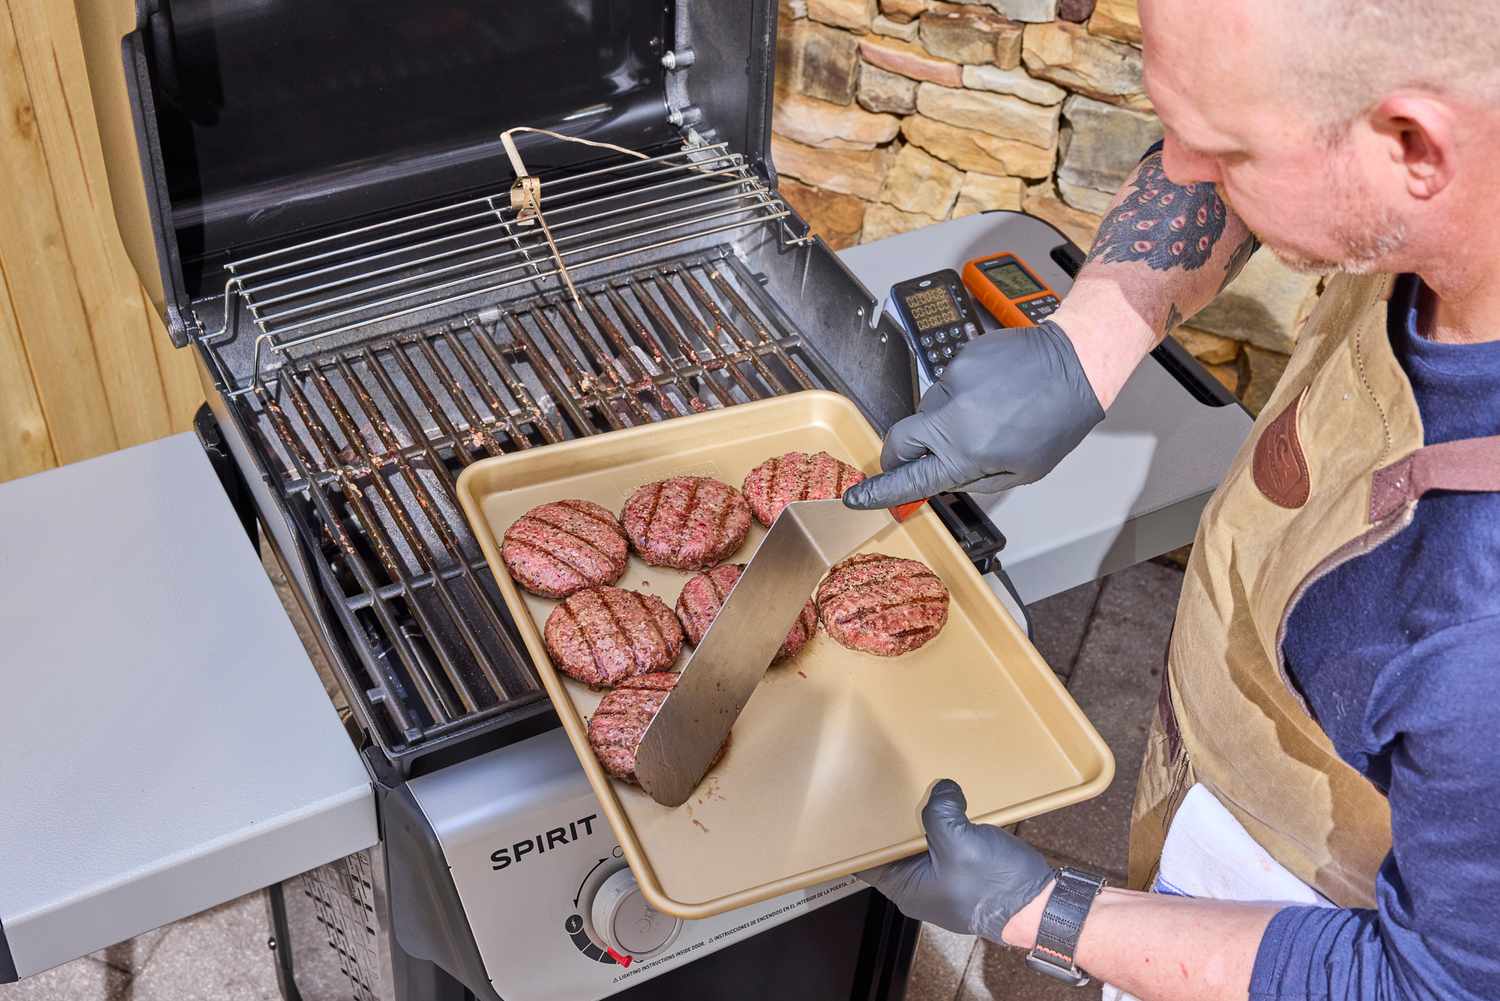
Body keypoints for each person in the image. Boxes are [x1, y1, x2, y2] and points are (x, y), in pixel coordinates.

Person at [840, 0, 1500, 998]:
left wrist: (1047, 913)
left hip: (1317, 913)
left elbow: (1438, 979)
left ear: (1415, 145)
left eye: (1227, 154)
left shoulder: (1478, 621)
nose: (1176, 168)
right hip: (1232, 740)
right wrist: (1091, 339)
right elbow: (1269, 93)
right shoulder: (1435, 128)